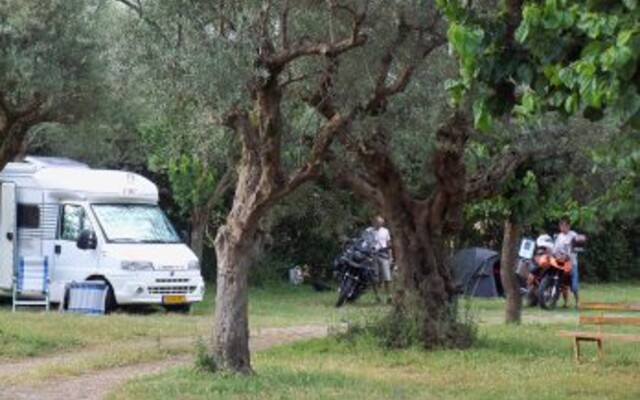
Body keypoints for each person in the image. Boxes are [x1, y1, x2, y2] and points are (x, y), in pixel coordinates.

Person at [554, 216, 586, 308]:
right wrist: (556, 255)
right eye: (561, 226)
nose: (563, 228)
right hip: (560, 262)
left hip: (571, 263)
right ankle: (564, 303)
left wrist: (568, 255)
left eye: (564, 225)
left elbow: (577, 247)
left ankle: (577, 302)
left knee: (574, 284)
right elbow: (555, 249)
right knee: (562, 283)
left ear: (569, 226)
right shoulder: (559, 236)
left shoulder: (573, 235)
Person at [370, 215, 392, 303]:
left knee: (387, 277)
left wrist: (391, 257)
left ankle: (389, 296)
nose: (378, 224)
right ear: (374, 222)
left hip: (383, 254)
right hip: (372, 254)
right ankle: (377, 296)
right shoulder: (369, 231)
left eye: (380, 223)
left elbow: (388, 244)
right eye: (377, 223)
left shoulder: (386, 231)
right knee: (375, 277)